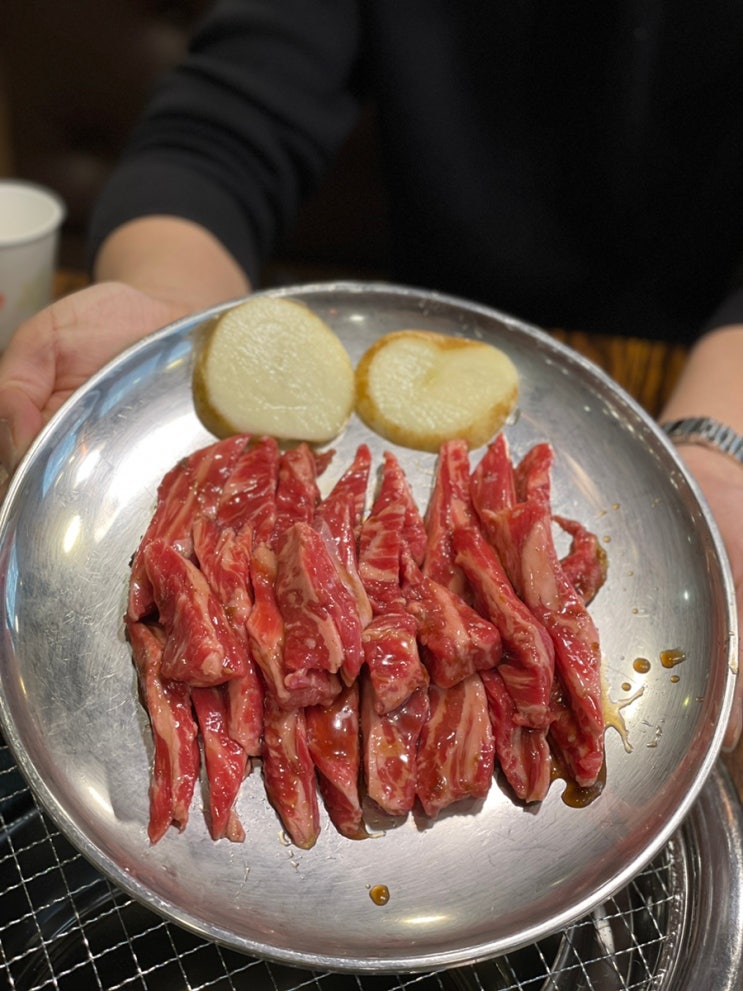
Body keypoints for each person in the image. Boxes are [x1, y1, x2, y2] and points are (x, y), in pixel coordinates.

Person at [0, 1, 741, 747]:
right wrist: (179, 319)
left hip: (692, 350)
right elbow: (223, 122)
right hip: (410, 333)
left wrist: (718, 446)